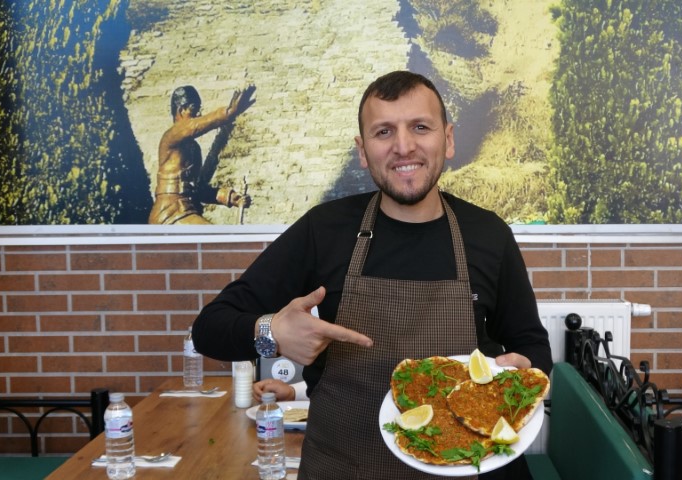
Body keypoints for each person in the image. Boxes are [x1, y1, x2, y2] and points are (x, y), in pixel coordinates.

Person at [192, 70, 552, 479]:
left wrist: (519, 370)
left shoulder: (488, 234)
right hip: (346, 466)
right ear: (363, 150)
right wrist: (273, 333)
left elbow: (533, 347)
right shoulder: (323, 230)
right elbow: (208, 329)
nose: (403, 146)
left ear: (447, 139)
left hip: (472, 465)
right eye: (384, 132)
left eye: (420, 127)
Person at [148, 84, 255, 224]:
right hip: (170, 213)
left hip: (187, 212)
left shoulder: (194, 149)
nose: (198, 114)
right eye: (193, 109)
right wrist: (228, 113)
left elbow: (198, 190)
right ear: (180, 110)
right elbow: (193, 126)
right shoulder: (171, 135)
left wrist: (230, 197)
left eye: (199, 110)